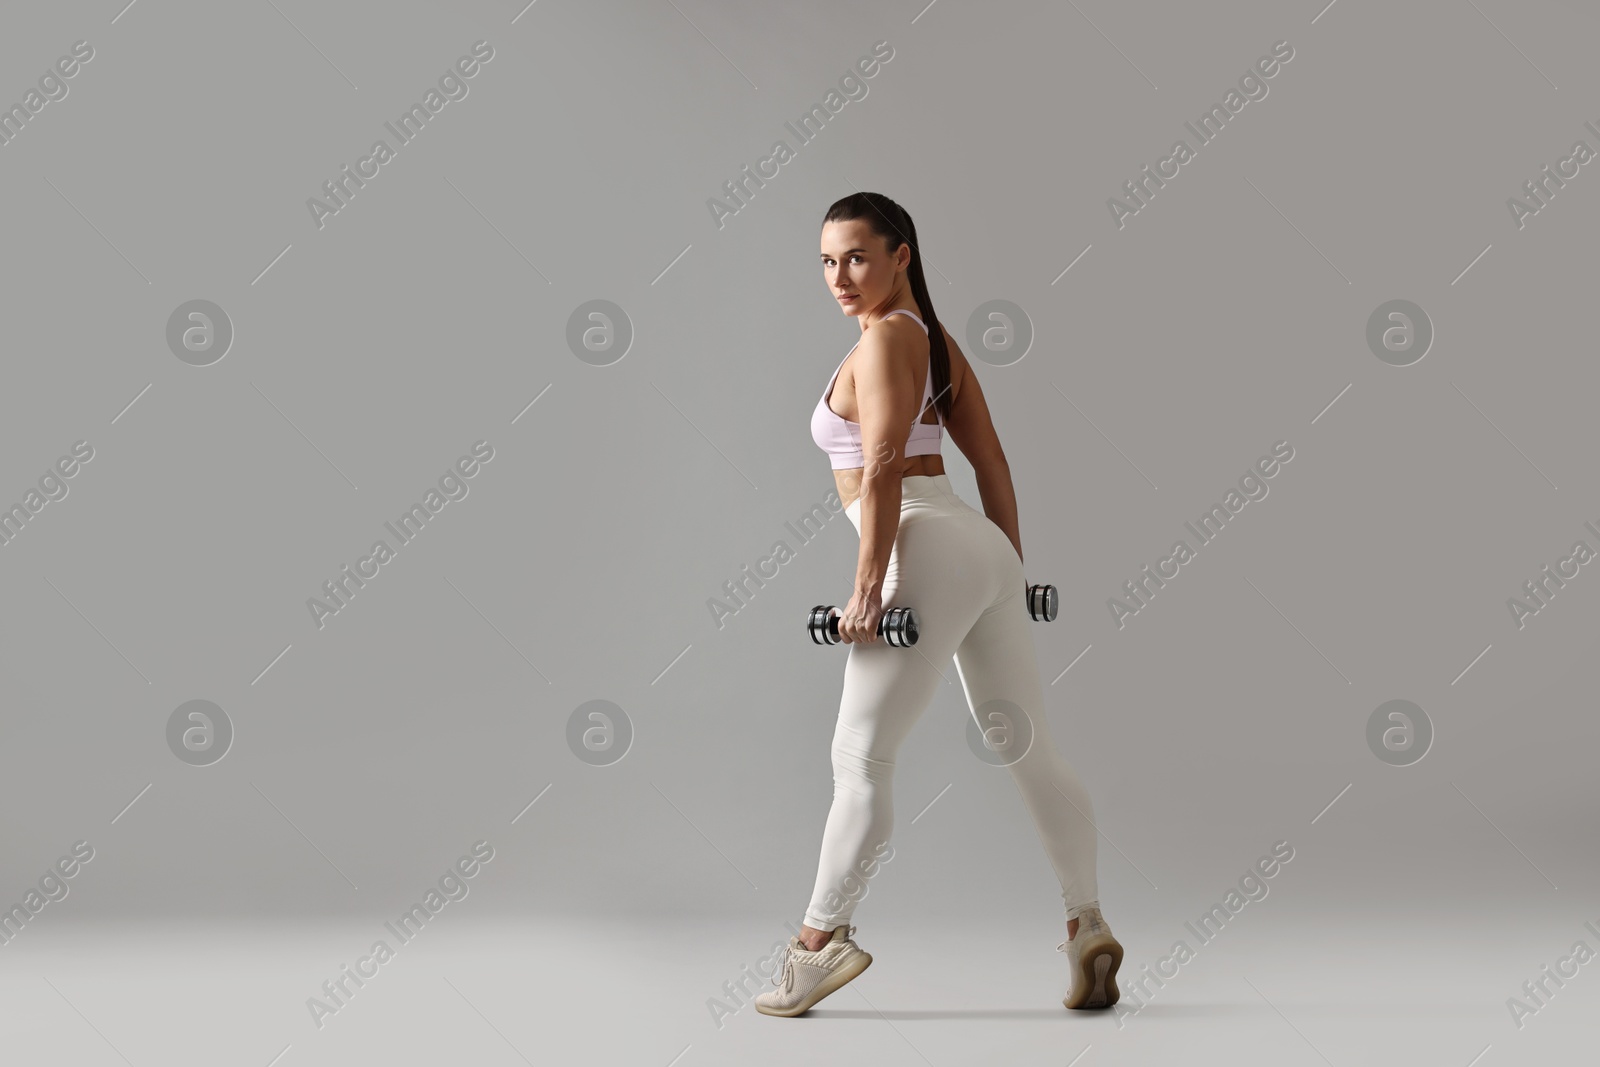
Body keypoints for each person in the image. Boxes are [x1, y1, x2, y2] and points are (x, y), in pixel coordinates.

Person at [754, 192, 1122, 1018]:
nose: (839, 276)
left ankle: (818, 945)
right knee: (1027, 746)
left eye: (856, 256)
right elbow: (990, 461)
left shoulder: (887, 341)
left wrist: (865, 591)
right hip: (976, 548)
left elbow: (882, 464)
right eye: (825, 260)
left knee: (860, 759)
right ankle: (1086, 922)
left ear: (901, 255)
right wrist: (1012, 572)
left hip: (922, 545)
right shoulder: (939, 345)